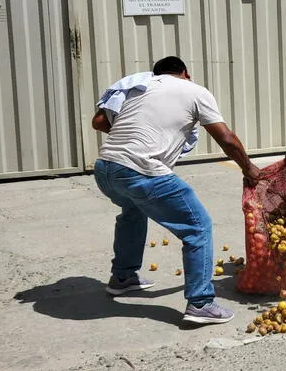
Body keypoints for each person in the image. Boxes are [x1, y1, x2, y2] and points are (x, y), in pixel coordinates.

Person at [92, 56, 260, 325]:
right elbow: (226, 138)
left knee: (132, 211)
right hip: (141, 170)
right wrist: (249, 168)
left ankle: (123, 277)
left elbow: (100, 121)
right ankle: (200, 303)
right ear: (185, 73)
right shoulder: (195, 91)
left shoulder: (141, 88)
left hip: (105, 169)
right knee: (198, 227)